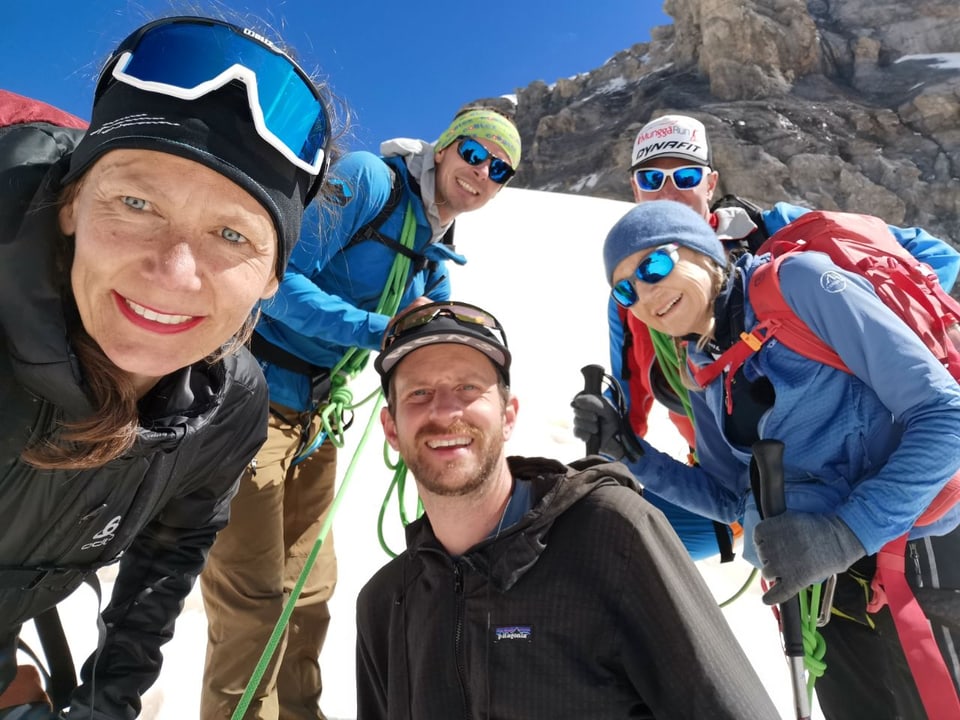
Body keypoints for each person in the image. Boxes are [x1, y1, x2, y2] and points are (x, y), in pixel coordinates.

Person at [0, 15, 336, 720]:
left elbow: (171, 550)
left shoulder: (227, 406)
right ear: (71, 204)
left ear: (273, 276)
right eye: (136, 201)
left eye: (230, 233)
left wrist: (110, 701)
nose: (173, 273)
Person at [574, 200, 960, 719]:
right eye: (625, 289)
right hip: (824, 581)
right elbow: (734, 499)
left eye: (654, 266)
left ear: (703, 251)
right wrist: (634, 455)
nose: (644, 294)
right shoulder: (704, 365)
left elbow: (945, 413)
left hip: (918, 550)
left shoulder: (798, 285)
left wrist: (847, 533)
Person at [200, 109, 522, 719]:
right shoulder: (369, 180)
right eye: (474, 153)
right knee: (251, 598)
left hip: (317, 420)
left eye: (499, 169)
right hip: (251, 402)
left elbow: (423, 345)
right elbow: (275, 278)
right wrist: (381, 329)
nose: (482, 172)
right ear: (445, 149)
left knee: (307, 590)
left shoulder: (436, 256)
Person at [355, 300, 782, 719]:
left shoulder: (611, 536)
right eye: (419, 393)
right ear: (392, 428)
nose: (445, 410)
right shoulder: (387, 605)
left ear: (508, 416)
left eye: (468, 388)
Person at [604, 113, 960, 561]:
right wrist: (624, 451)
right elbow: (630, 393)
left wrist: (873, 328)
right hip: (759, 485)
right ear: (635, 189)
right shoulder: (680, 340)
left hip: (899, 492)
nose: (669, 191)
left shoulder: (786, 254)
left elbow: (931, 258)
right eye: (652, 178)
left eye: (686, 175)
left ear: (709, 182)